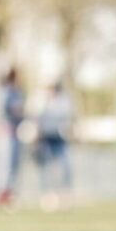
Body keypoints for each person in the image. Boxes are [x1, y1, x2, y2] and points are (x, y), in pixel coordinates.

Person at [36, 81, 73, 210]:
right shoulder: (43, 103)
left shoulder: (63, 102)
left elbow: (67, 119)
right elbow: (38, 119)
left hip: (59, 139)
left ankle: (64, 194)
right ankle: (48, 195)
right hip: (46, 139)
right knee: (47, 168)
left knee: (64, 166)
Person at [0, 68, 25, 207]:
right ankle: (2, 195)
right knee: (5, 165)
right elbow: (3, 110)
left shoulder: (17, 92)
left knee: (13, 165)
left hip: (15, 133)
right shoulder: (5, 92)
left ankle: (10, 193)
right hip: (6, 133)